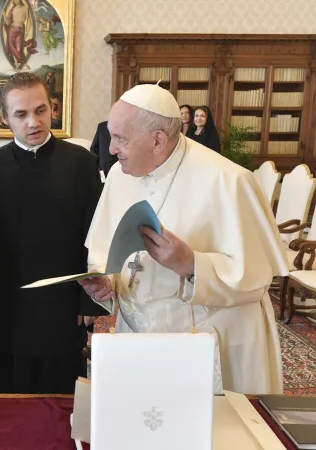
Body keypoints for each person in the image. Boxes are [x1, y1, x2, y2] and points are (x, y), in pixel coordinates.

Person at [79, 84, 287, 394]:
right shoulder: (120, 176)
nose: (110, 149)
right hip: (138, 335)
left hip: (207, 341)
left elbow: (255, 278)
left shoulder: (228, 181)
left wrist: (192, 265)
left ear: (157, 140)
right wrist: (107, 281)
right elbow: (105, 247)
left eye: (120, 139)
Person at [0, 72, 106, 394]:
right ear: (5, 118)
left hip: (60, 305)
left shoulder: (83, 164)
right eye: (21, 114)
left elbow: (97, 236)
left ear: (51, 108)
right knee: (3, 403)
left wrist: (88, 304)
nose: (34, 122)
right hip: (4, 304)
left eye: (41, 110)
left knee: (59, 403)